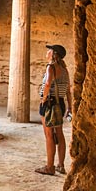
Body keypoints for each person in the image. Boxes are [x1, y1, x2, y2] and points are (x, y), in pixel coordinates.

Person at [35, 44, 72, 176]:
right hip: (60, 103)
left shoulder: (51, 67)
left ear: (53, 54)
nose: (47, 52)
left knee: (49, 135)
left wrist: (43, 99)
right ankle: (61, 165)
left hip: (50, 103)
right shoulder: (64, 69)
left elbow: (48, 84)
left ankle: (50, 167)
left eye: (49, 50)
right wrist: (69, 107)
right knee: (59, 134)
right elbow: (68, 90)